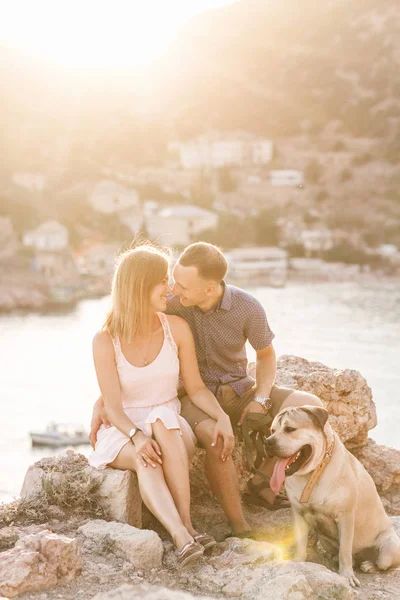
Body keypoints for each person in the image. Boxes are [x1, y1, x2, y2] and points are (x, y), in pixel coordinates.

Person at [90, 242, 323, 538]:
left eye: (182, 285)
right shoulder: (171, 304)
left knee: (311, 406)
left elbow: (266, 355)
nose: (174, 289)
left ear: (209, 289)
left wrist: (261, 399)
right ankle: (240, 527)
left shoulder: (247, 307)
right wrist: (104, 401)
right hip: (193, 398)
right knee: (215, 438)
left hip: (240, 390)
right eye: (171, 280)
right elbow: (129, 350)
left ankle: (262, 482)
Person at [89, 245, 235, 566]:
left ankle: (187, 524)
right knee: (147, 458)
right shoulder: (104, 340)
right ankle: (182, 537)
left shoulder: (176, 328)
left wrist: (221, 416)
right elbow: (113, 407)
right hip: (124, 431)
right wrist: (137, 438)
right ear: (140, 286)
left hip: (171, 426)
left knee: (163, 421)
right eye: (162, 281)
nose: (170, 289)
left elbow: (195, 389)